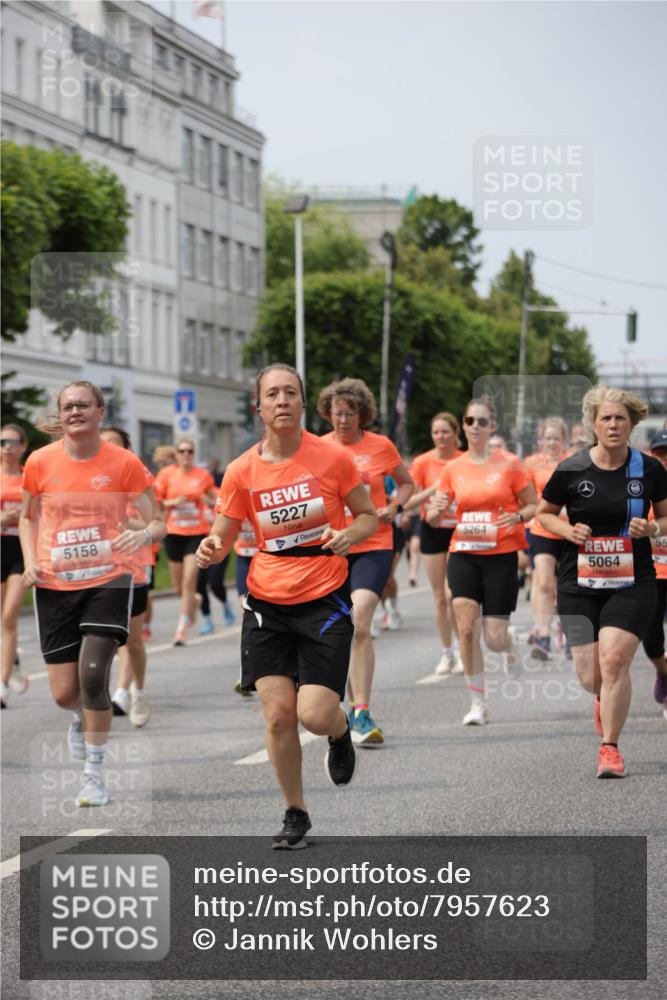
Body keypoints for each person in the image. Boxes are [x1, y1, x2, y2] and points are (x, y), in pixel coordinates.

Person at [197, 363, 377, 848]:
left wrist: (347, 535)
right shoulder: (241, 470)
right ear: (258, 406)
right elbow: (224, 530)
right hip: (267, 604)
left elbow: (367, 516)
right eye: (272, 394)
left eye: (290, 393)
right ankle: (296, 811)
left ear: (301, 403)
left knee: (313, 715)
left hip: (323, 600)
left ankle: (340, 733)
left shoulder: (332, 459)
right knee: (277, 715)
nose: (282, 401)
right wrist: (212, 545)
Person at [19, 381, 165, 807]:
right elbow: (28, 519)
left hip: (109, 577)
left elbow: (158, 521)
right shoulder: (39, 462)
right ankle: (80, 715)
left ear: (101, 412)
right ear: (60, 414)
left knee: (93, 675)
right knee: (66, 693)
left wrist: (142, 536)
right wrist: (31, 560)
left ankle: (94, 775)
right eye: (68, 406)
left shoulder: (123, 463)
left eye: (84, 405)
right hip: (54, 582)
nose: (75, 411)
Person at [536, 385, 667, 778]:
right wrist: (566, 529)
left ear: (632, 424)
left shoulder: (649, 469)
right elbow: (544, 513)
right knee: (591, 674)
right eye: (606, 418)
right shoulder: (571, 468)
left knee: (614, 661)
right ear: (594, 424)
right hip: (578, 581)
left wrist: (652, 528)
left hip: (633, 579)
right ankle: (602, 697)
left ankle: (610, 747)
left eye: (620, 418)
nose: (613, 424)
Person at [318, 378, 414, 746]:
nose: (342, 420)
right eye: (336, 413)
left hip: (373, 542)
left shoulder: (380, 446)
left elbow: (406, 483)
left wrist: (394, 507)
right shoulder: (316, 448)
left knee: (359, 621)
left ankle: (361, 711)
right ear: (328, 413)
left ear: (363, 415)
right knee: (338, 628)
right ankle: (339, 704)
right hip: (331, 546)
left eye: (350, 414)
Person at [430, 398, 537, 725]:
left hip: (501, 555)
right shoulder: (453, 468)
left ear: (492, 426)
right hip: (463, 552)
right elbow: (436, 515)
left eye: (482, 421)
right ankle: (478, 703)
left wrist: (517, 516)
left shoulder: (510, 464)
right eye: (470, 420)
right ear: (463, 426)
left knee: (493, 638)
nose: (475, 425)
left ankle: (509, 646)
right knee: (465, 627)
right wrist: (435, 513)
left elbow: (535, 505)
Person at [101, 427, 153, 727]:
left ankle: (138, 692)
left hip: (133, 568)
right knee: (105, 637)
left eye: (114, 445)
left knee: (132, 641)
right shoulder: (86, 477)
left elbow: (153, 524)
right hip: (99, 569)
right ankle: (116, 692)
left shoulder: (136, 475)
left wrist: (125, 522)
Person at [404, 412, 463, 675]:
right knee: (439, 597)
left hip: (460, 531)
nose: (441, 437)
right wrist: (434, 489)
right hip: (432, 529)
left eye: (445, 432)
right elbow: (407, 503)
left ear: (455, 433)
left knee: (454, 595)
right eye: (436, 433)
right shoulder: (422, 462)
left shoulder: (465, 460)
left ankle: (463, 649)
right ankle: (446, 652)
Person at [154, 437, 216, 645]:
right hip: (173, 534)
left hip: (196, 534)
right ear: (176, 454)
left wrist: (210, 500)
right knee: (179, 588)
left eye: (189, 451)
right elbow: (156, 502)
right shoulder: (166, 475)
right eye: (182, 451)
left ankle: (180, 631)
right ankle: (194, 601)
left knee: (190, 581)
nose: (186, 455)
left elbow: (215, 498)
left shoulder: (203, 476)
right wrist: (174, 502)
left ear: (194, 453)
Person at [524, 418, 570, 661]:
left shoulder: (574, 461)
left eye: (556, 438)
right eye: (547, 438)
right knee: (543, 582)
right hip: (542, 529)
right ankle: (543, 636)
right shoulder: (531, 464)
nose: (551, 443)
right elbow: (526, 497)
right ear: (541, 440)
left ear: (564, 440)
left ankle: (571, 633)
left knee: (568, 585)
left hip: (569, 530)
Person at [1, 424, 30, 708]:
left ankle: (1, 685)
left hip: (21, 551)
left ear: (22, 447)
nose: (7, 446)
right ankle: (14, 657)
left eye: (13, 442)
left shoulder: (28, 478)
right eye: (2, 442)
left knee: (9, 616)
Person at [640, 429, 667, 719]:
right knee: (651, 639)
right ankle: (663, 672)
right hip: (651, 573)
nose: (665, 459)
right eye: (660, 453)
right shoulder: (641, 485)